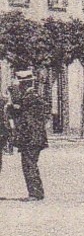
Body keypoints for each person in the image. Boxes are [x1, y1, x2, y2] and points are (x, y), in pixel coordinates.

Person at [10, 72, 49, 201]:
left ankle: (35, 194)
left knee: (29, 164)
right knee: (30, 164)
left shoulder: (30, 97)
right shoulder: (32, 96)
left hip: (31, 138)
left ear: (24, 84)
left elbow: (20, 112)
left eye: (20, 84)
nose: (19, 86)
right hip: (33, 137)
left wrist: (13, 93)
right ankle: (36, 192)